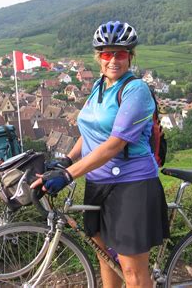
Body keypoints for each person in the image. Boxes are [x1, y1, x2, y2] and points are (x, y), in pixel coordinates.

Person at [31, 21, 170, 288]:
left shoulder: (136, 90)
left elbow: (115, 143)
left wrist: (68, 174)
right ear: (99, 58)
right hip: (98, 184)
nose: (114, 60)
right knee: (106, 260)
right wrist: (67, 159)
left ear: (131, 56)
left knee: (133, 273)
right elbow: (91, 133)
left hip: (132, 185)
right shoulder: (99, 87)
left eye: (120, 53)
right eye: (107, 54)